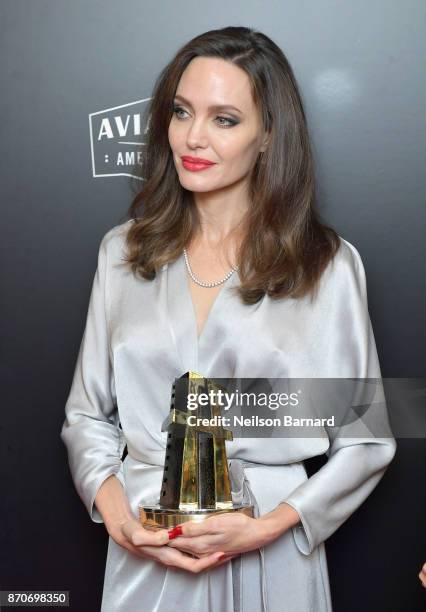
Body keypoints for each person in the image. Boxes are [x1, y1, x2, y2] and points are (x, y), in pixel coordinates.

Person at [60, 26, 396, 612]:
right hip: (148, 550)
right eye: (182, 111)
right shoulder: (122, 253)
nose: (192, 137)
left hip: (273, 557)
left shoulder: (327, 265)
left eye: (225, 119)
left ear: (268, 135)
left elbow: (366, 438)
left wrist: (270, 526)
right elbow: (86, 415)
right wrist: (119, 517)